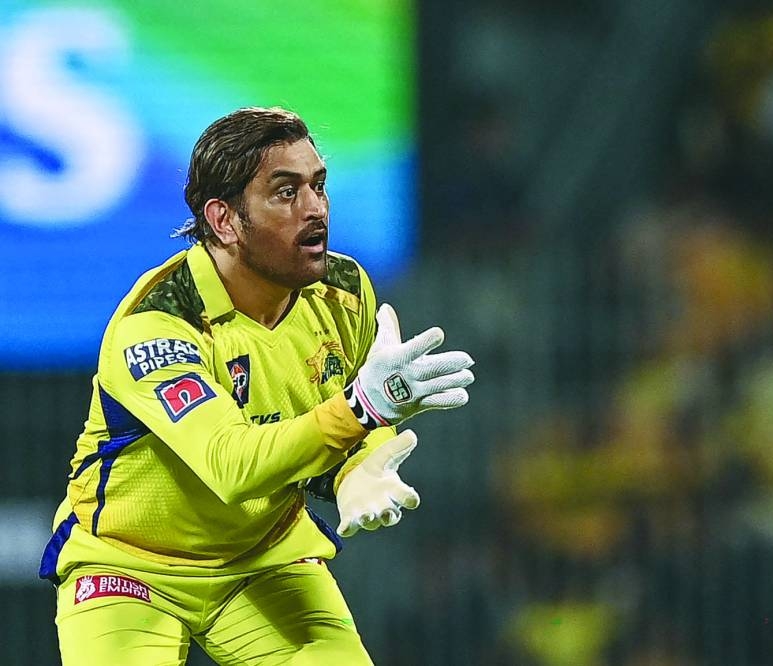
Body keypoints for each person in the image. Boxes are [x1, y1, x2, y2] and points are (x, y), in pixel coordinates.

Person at [38, 106, 475, 665]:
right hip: (130, 566)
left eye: (318, 185)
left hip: (262, 556)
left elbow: (333, 420)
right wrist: (364, 408)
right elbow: (233, 464)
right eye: (285, 192)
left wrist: (357, 469)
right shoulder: (157, 325)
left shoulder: (344, 290)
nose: (316, 209)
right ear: (224, 220)